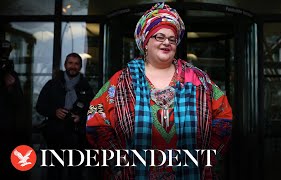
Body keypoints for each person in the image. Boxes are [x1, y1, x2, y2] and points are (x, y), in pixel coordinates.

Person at [86, 2, 233, 180]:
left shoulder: (198, 79)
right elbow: (96, 120)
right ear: (146, 42)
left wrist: (208, 155)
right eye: (159, 37)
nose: (166, 43)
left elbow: (224, 117)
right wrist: (117, 161)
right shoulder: (121, 81)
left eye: (172, 39)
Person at [36, 52, 94, 180]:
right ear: (65, 65)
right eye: (70, 63)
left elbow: (94, 111)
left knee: (75, 172)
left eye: (76, 64)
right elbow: (39, 106)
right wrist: (54, 112)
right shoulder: (52, 85)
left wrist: (81, 118)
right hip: (54, 134)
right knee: (54, 171)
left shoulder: (86, 87)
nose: (73, 66)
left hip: (77, 136)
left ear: (80, 67)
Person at [0, 40, 26, 178]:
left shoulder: (11, 73)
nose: (5, 55)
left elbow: (19, 102)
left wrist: (10, 87)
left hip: (7, 127)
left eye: (7, 52)